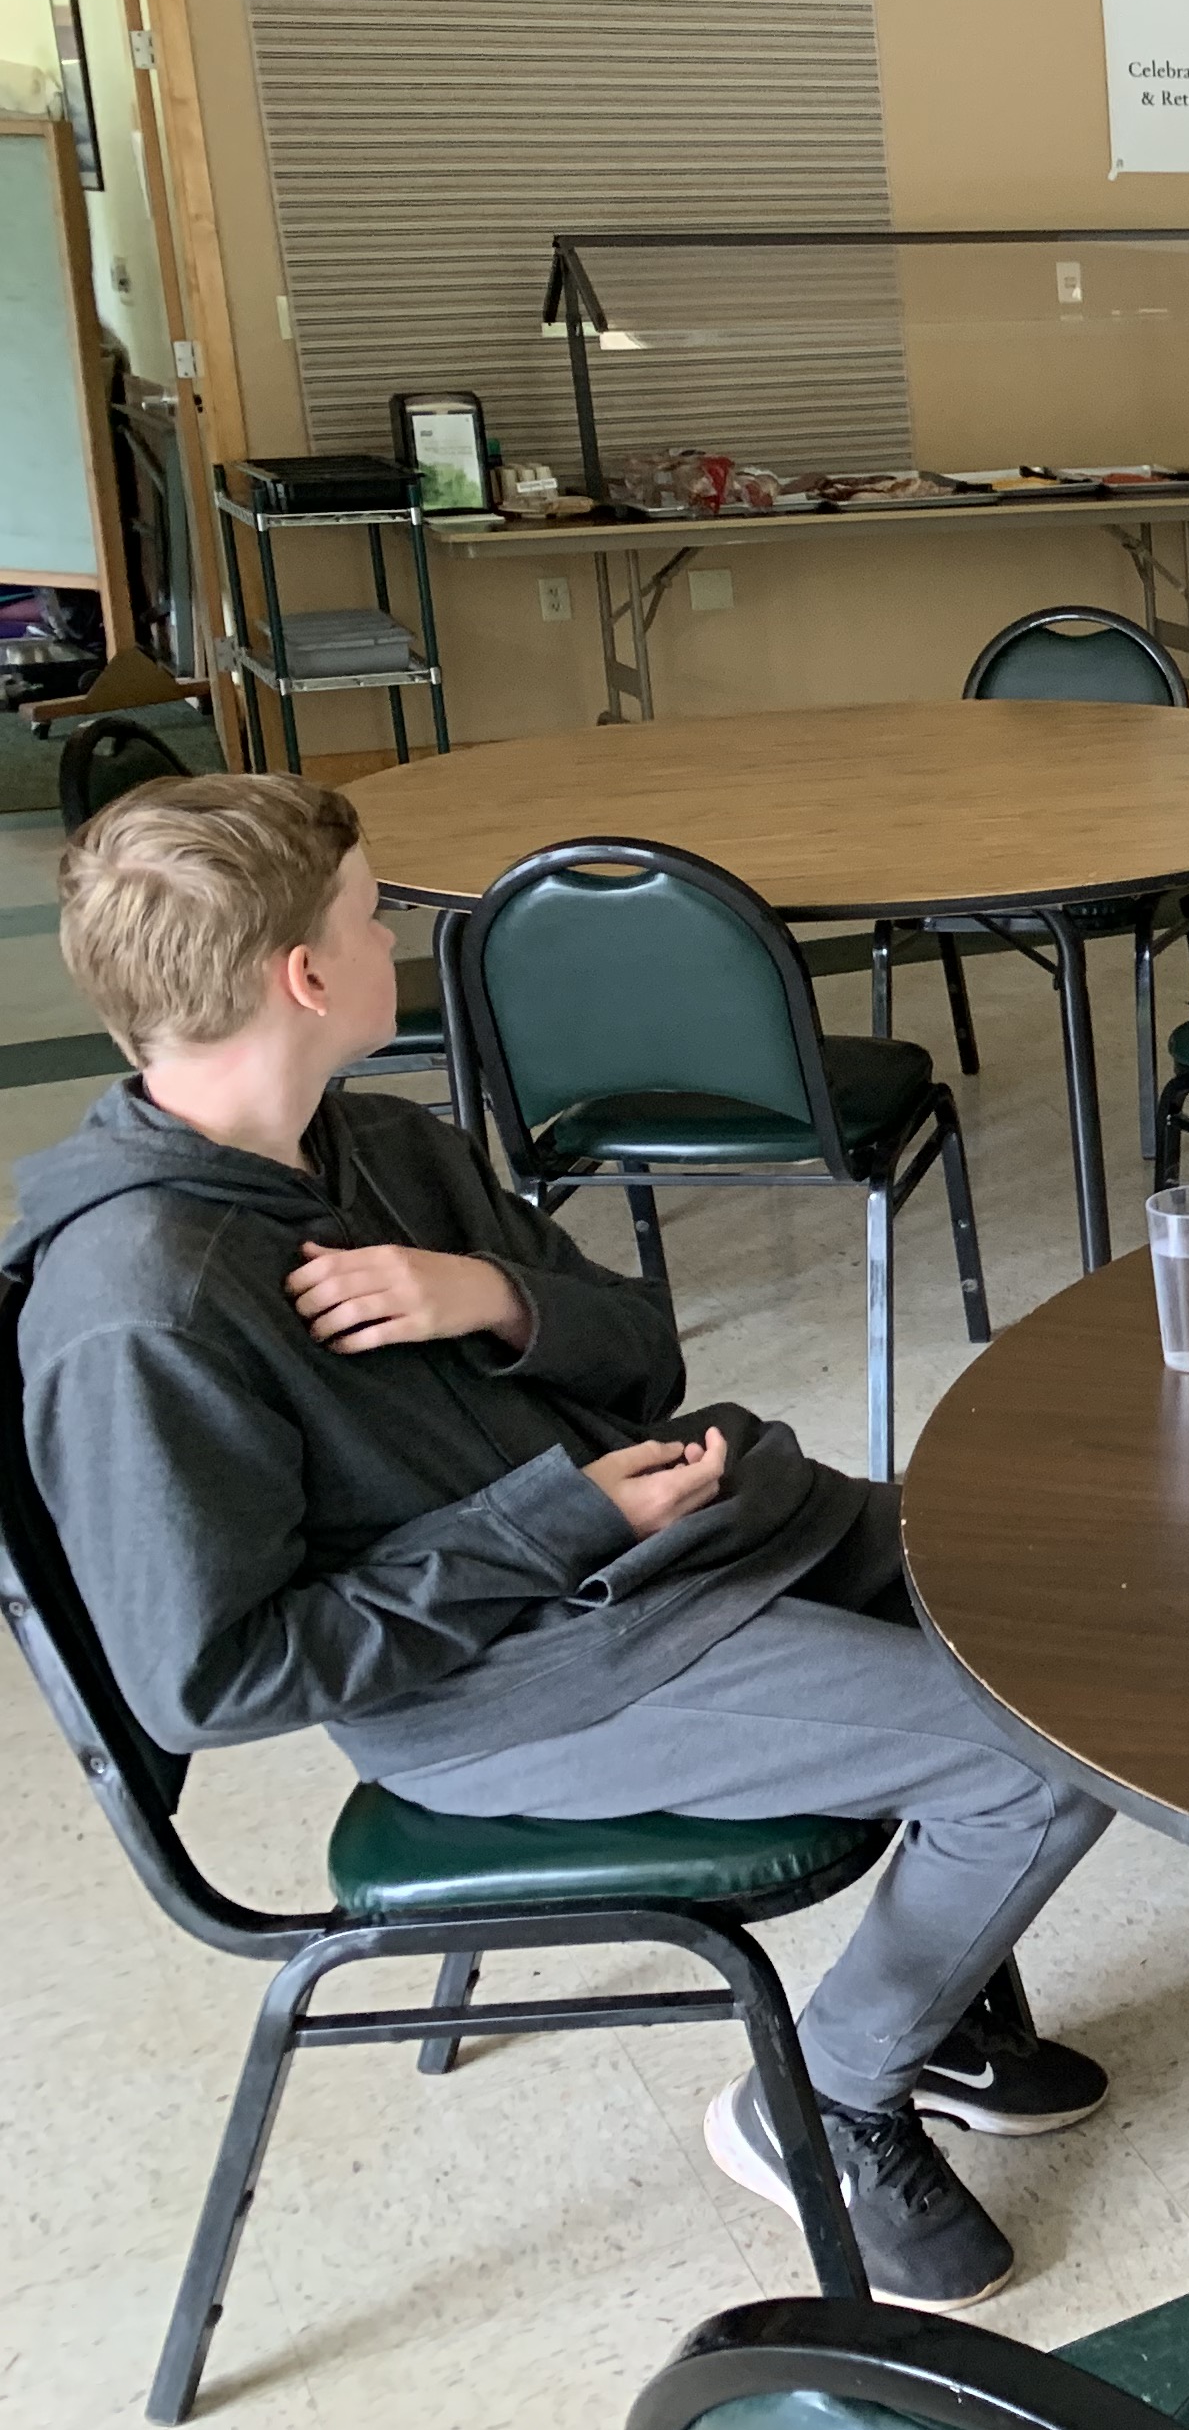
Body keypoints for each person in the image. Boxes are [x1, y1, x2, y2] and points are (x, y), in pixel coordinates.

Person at [9, 777, 1113, 2311]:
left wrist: (493, 1297)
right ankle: (833, 2100)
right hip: (496, 1693)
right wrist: (565, 1515)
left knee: (1042, 1608)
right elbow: (214, 1679)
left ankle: (936, 2017)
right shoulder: (141, 1311)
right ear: (306, 976)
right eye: (369, 909)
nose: (392, 929)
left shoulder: (380, 1146)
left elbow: (638, 1356)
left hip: (638, 1568)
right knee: (1040, 1755)